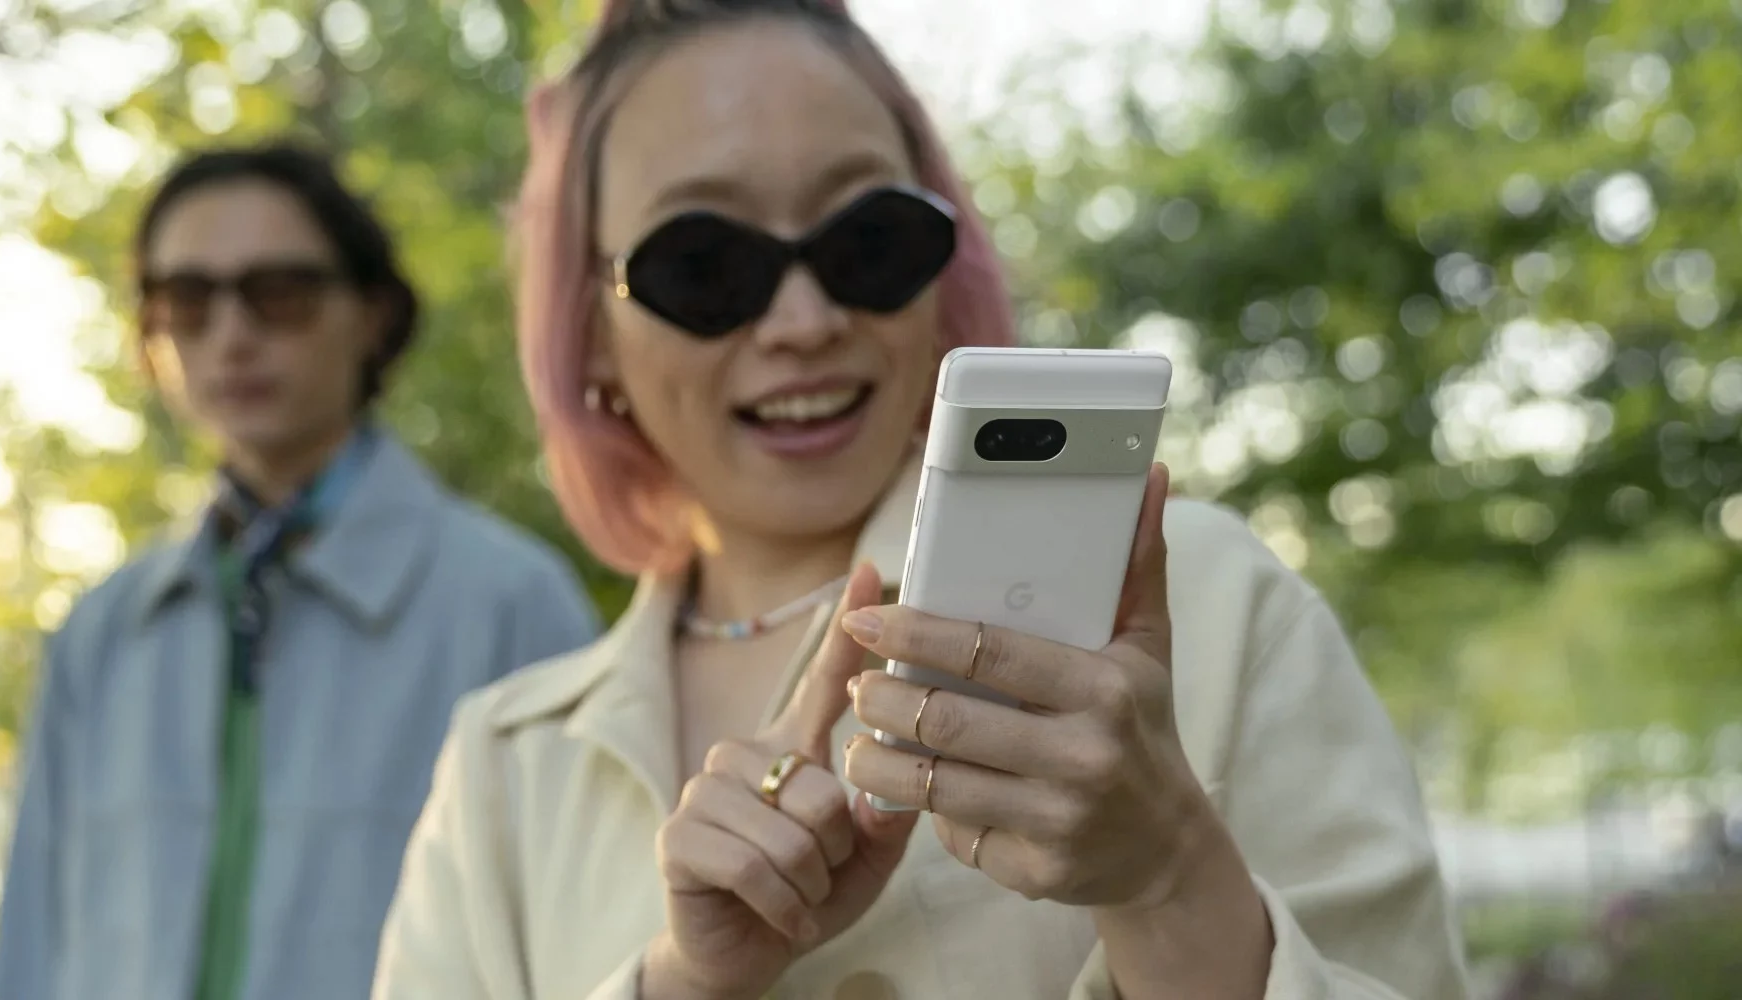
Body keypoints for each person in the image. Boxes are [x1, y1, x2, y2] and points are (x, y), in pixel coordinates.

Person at [373, 1, 1470, 998]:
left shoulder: (1210, 601)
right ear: (590, 329)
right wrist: (677, 985)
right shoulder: (506, 768)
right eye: (704, 264)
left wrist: (1167, 877)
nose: (803, 321)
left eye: (870, 241)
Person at [0, 142, 599, 1000]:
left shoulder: (512, 606)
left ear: (373, 314)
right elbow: (30, 952)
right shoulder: (102, 633)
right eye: (188, 300)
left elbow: (582, 945)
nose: (232, 335)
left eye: (280, 293)